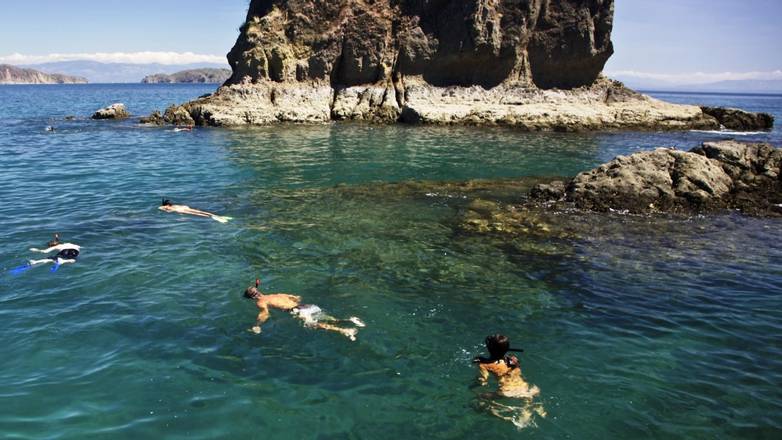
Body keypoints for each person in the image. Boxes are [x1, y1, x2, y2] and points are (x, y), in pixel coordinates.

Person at [243, 278, 365, 341]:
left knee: (314, 325)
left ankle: (343, 330)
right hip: (308, 306)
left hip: (299, 311)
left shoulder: (261, 302)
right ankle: (349, 320)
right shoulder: (277, 294)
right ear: (258, 291)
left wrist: (257, 325)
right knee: (327, 318)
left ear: (252, 298)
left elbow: (265, 314)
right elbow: (297, 297)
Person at [473, 334, 545, 429]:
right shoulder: (513, 360)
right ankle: (533, 409)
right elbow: (516, 370)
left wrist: (475, 384)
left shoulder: (484, 364)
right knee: (527, 403)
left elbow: (483, 381)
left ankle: (503, 415)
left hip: (507, 391)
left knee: (480, 398)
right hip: (525, 388)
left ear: (489, 348)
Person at [159, 199, 231, 223]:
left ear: (166, 205)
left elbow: (160, 208)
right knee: (200, 211)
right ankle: (215, 215)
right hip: (184, 207)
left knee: (196, 214)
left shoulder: (167, 207)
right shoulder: (173, 205)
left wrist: (166, 210)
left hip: (180, 210)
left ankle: (211, 217)